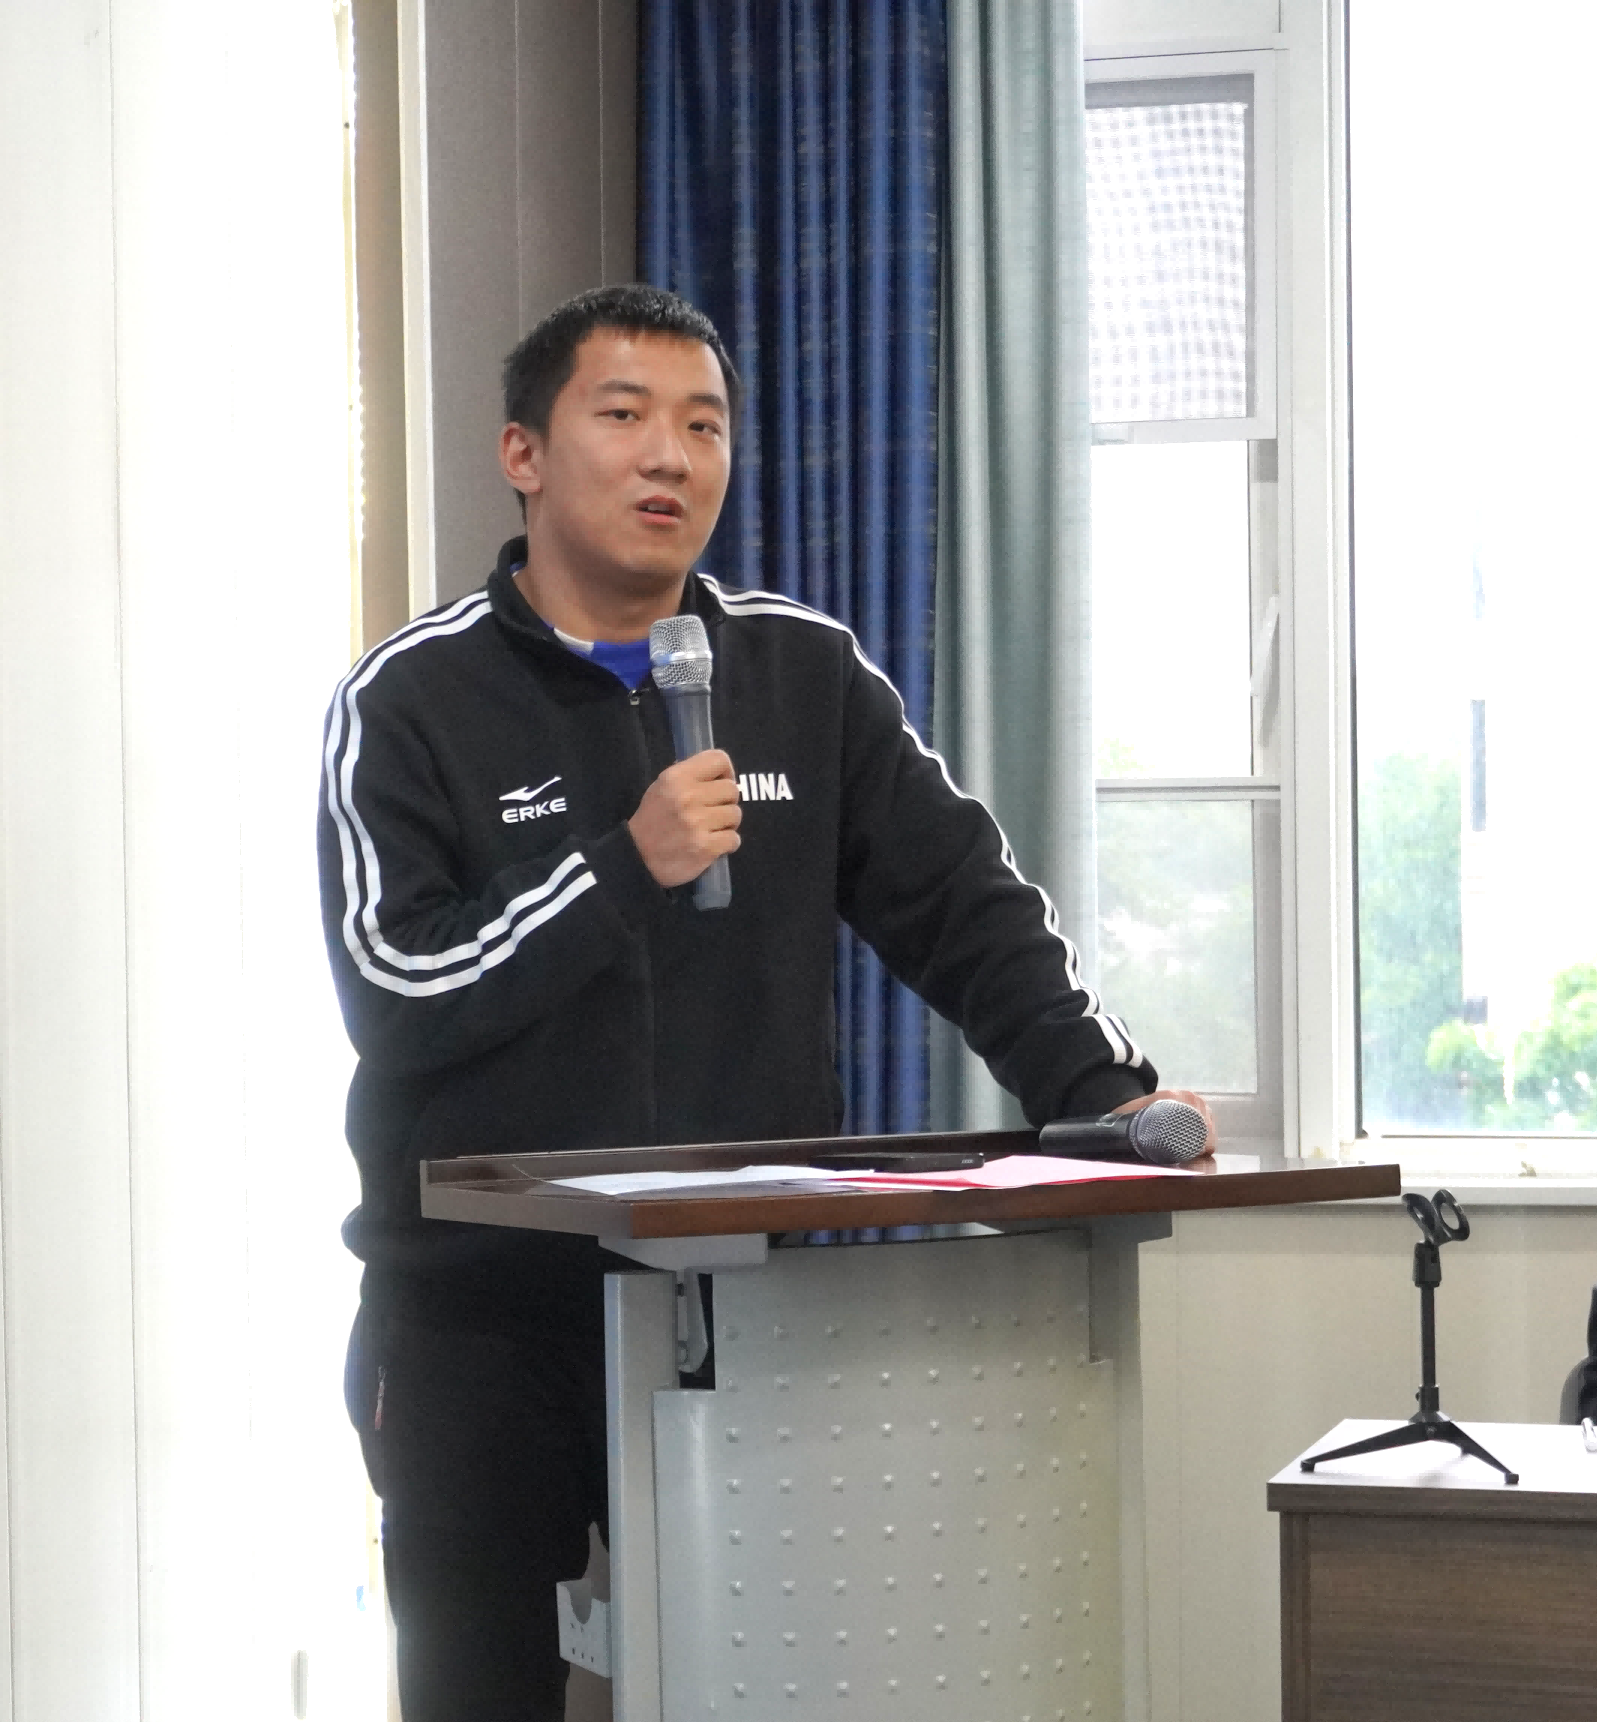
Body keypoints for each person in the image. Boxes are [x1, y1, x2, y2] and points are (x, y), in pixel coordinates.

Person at [317, 284, 1211, 1721]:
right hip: (478, 1324)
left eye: (705, 425)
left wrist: (1104, 1090)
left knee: (762, 1685)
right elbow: (397, 987)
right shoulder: (411, 699)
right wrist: (622, 865)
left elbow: (965, 906)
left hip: (742, 1299)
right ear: (524, 453)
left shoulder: (802, 672)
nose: (671, 457)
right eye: (625, 416)